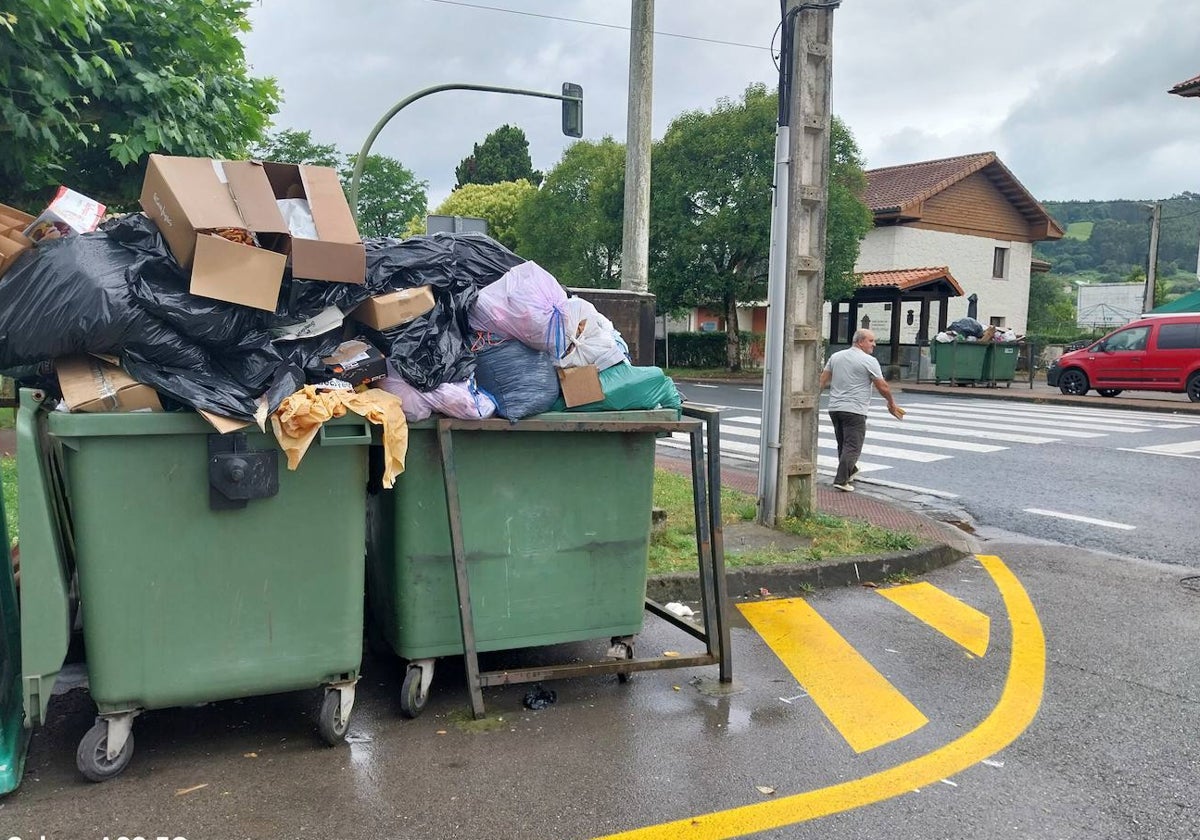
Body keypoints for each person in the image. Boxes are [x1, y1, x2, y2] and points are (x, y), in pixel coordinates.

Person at [817, 329, 904, 492]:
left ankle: (851, 470)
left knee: (843, 444)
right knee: (853, 446)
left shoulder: (835, 357)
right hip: (855, 410)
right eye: (871, 341)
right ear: (860, 341)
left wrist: (814, 399)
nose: (874, 344)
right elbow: (882, 386)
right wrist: (891, 403)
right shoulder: (869, 361)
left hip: (835, 408)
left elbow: (822, 381)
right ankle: (841, 480)